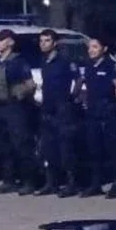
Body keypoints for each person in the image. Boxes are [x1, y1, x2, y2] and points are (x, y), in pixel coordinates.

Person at [0, 29, 39, 195]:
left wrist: (19, 92)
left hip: (15, 108)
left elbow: (30, 85)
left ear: (11, 42)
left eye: (1, 39)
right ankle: (9, 180)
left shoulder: (19, 62)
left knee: (21, 145)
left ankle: (29, 181)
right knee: (3, 146)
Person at [77, 36, 116, 198]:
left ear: (104, 49)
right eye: (90, 47)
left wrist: (114, 103)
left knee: (112, 149)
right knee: (94, 149)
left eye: (95, 47)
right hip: (92, 112)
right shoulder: (88, 65)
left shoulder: (111, 65)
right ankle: (95, 183)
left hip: (108, 112)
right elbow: (83, 86)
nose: (91, 50)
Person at [35, 29, 80, 197]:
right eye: (41, 41)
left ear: (55, 43)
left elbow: (78, 79)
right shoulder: (43, 61)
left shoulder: (65, 61)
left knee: (65, 147)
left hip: (63, 108)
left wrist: (71, 97)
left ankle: (71, 183)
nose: (43, 44)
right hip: (47, 108)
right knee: (48, 147)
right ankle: (51, 183)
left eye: (47, 40)